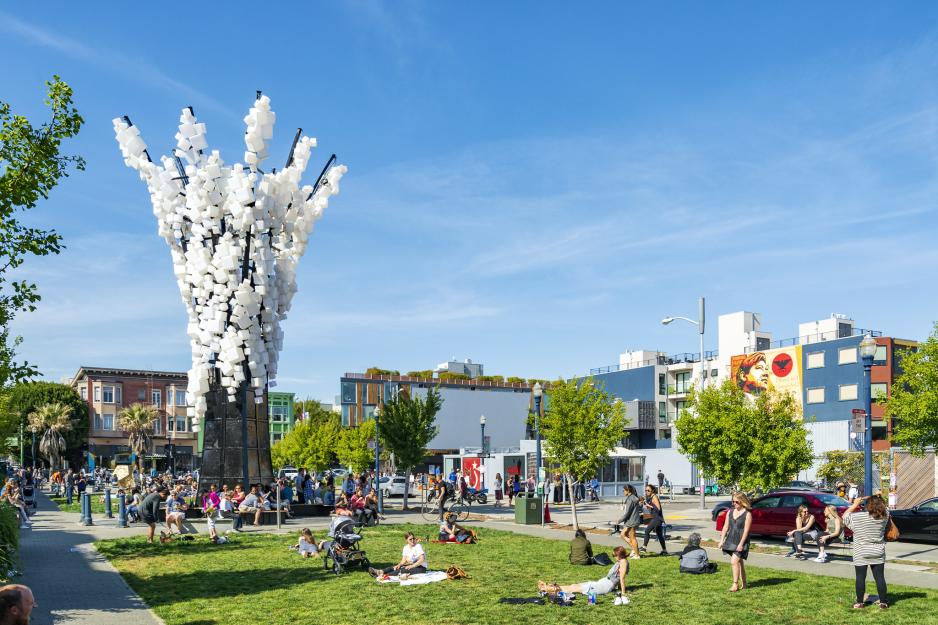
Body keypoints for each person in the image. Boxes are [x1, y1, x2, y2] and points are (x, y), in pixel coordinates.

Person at [538, 546, 630, 604]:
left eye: (614, 555)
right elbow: (618, 578)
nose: (613, 557)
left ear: (619, 555)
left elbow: (621, 579)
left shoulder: (623, 563)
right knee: (573, 586)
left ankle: (547, 589)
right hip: (603, 582)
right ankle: (549, 588)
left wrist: (623, 593)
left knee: (574, 589)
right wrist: (617, 588)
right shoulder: (621, 561)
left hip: (604, 586)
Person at [844, 494, 889, 609]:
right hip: (878, 551)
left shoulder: (859, 517)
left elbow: (845, 517)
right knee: (879, 577)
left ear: (867, 506)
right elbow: (886, 509)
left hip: (861, 551)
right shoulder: (885, 516)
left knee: (860, 577)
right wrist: (877, 497)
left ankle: (860, 603)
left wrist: (855, 504)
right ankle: (883, 603)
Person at [717, 492, 752, 592]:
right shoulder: (730, 512)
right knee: (739, 562)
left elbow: (746, 531)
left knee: (734, 561)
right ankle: (744, 583)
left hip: (742, 540)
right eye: (733, 501)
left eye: (736, 501)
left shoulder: (747, 514)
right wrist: (721, 540)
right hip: (731, 539)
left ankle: (735, 584)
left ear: (742, 502)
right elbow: (725, 527)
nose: (734, 503)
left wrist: (741, 544)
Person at [641, 485, 667, 556]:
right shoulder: (650, 497)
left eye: (648, 490)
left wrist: (649, 506)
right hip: (656, 518)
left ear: (652, 490)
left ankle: (644, 547)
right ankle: (664, 550)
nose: (646, 492)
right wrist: (646, 505)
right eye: (646, 490)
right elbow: (651, 509)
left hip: (657, 519)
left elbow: (658, 509)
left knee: (647, 531)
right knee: (659, 535)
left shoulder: (654, 497)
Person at [618, 485, 642, 559]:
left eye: (624, 490)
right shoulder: (632, 498)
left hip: (632, 521)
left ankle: (637, 555)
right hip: (631, 520)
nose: (623, 492)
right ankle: (634, 549)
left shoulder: (630, 499)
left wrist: (620, 519)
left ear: (628, 491)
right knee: (622, 534)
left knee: (632, 537)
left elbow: (628, 512)